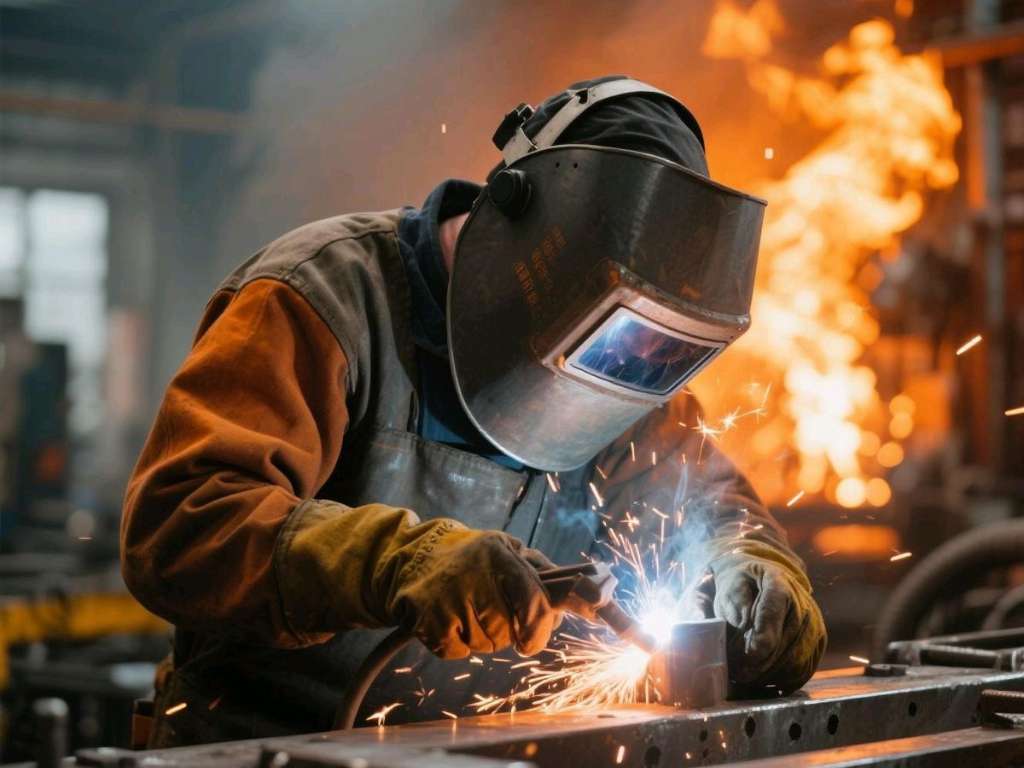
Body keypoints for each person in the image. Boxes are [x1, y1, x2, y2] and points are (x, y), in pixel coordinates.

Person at [121, 75, 826, 748]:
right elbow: (181, 527)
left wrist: (751, 567)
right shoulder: (323, 298)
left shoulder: (629, 361)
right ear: (523, 230)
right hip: (267, 746)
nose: (616, 366)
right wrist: (396, 563)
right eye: (601, 331)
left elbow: (711, 509)